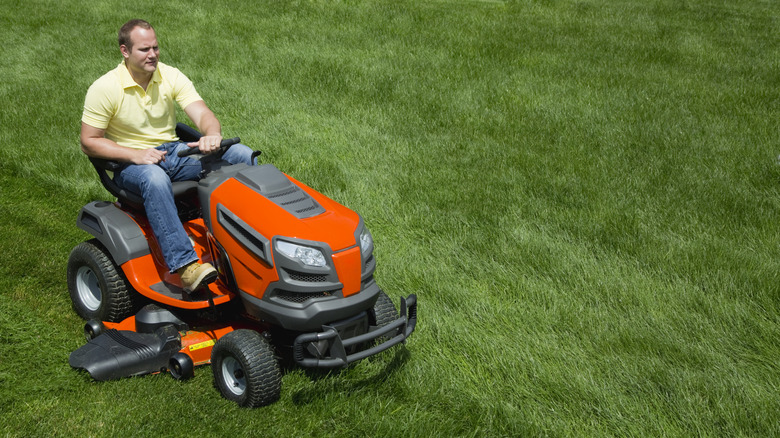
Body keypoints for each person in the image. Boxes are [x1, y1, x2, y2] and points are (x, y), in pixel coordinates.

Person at [80, 19, 254, 293]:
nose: (153, 55)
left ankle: (252, 237)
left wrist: (211, 134)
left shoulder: (169, 75)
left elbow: (202, 113)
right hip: (130, 164)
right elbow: (89, 142)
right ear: (125, 51)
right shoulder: (105, 88)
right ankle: (186, 266)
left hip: (173, 152)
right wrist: (135, 155)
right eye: (144, 49)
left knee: (240, 154)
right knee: (155, 179)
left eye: (156, 48)